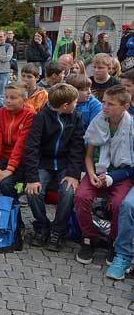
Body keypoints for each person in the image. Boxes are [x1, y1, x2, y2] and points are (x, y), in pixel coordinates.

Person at [74, 85, 133, 265]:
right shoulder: (98, 121)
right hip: (98, 170)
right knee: (81, 196)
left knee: (118, 204)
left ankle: (112, 242)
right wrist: (91, 174)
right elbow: (89, 155)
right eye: (104, 102)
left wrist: (111, 178)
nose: (105, 107)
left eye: (111, 104)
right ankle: (88, 238)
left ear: (126, 106)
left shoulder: (131, 129)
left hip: (121, 174)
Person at [22, 84, 84, 251]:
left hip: (65, 164)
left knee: (68, 191)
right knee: (33, 191)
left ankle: (58, 230)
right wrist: (32, 178)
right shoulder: (41, 117)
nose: (76, 105)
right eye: (75, 102)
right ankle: (42, 226)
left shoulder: (76, 117)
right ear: (65, 105)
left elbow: (78, 148)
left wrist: (73, 174)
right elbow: (31, 148)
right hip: (44, 163)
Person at [0, 83, 35, 200]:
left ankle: (14, 216)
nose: (7, 101)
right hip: (3, 157)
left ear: (24, 100)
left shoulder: (30, 115)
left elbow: (21, 144)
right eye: (6, 97)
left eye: (13, 98)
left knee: (6, 184)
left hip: (21, 160)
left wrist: (9, 169)